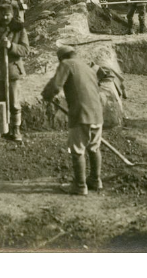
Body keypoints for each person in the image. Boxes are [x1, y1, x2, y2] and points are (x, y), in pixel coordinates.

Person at [40, 45, 104, 195]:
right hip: (97, 113)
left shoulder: (66, 64)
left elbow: (56, 85)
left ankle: (80, 186)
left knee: (77, 149)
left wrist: (47, 95)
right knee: (94, 147)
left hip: (81, 114)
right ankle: (95, 180)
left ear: (61, 58)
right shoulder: (88, 68)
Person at [0, 3, 30, 141]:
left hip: (12, 70)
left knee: (14, 102)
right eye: (2, 15)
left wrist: (11, 46)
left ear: (12, 15)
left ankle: (15, 129)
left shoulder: (19, 29)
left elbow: (25, 50)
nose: (5, 17)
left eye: (8, 15)